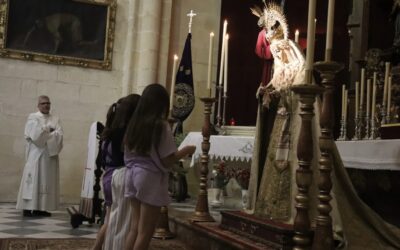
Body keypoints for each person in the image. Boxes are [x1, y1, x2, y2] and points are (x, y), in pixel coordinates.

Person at [247, 3, 400, 249]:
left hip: (294, 111)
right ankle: (271, 208)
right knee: (279, 161)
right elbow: (279, 75)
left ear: (277, 33)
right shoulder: (278, 48)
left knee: (297, 159)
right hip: (284, 114)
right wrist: (268, 90)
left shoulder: (288, 47)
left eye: (271, 35)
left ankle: (298, 212)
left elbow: (294, 73)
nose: (271, 46)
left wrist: (279, 90)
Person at [123, 83, 196, 250]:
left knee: (134, 228)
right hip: (148, 177)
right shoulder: (160, 125)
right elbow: (168, 160)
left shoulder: (134, 124)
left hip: (131, 175)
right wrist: (186, 149)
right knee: (145, 232)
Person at [92, 94, 140, 250]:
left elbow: (100, 159)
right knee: (114, 219)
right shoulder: (124, 132)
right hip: (118, 174)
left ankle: (97, 247)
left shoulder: (109, 130)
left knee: (109, 218)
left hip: (109, 175)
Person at [16, 95, 63, 217]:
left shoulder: (55, 118)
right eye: (43, 103)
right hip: (36, 155)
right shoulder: (33, 117)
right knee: (33, 180)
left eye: (48, 103)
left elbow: (59, 134)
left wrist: (46, 131)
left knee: (46, 179)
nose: (46, 105)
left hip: (49, 156)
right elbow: (35, 137)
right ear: (38, 105)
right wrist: (48, 130)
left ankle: (42, 208)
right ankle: (28, 208)